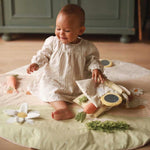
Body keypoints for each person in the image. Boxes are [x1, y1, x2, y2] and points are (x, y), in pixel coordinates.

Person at [27, 4, 105, 120]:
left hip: (77, 81)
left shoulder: (87, 47)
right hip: (55, 79)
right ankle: (62, 108)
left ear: (80, 30)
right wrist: (36, 63)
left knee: (97, 89)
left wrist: (95, 68)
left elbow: (92, 59)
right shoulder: (52, 42)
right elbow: (44, 54)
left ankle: (90, 105)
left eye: (67, 30)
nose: (61, 33)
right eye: (58, 28)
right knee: (46, 88)